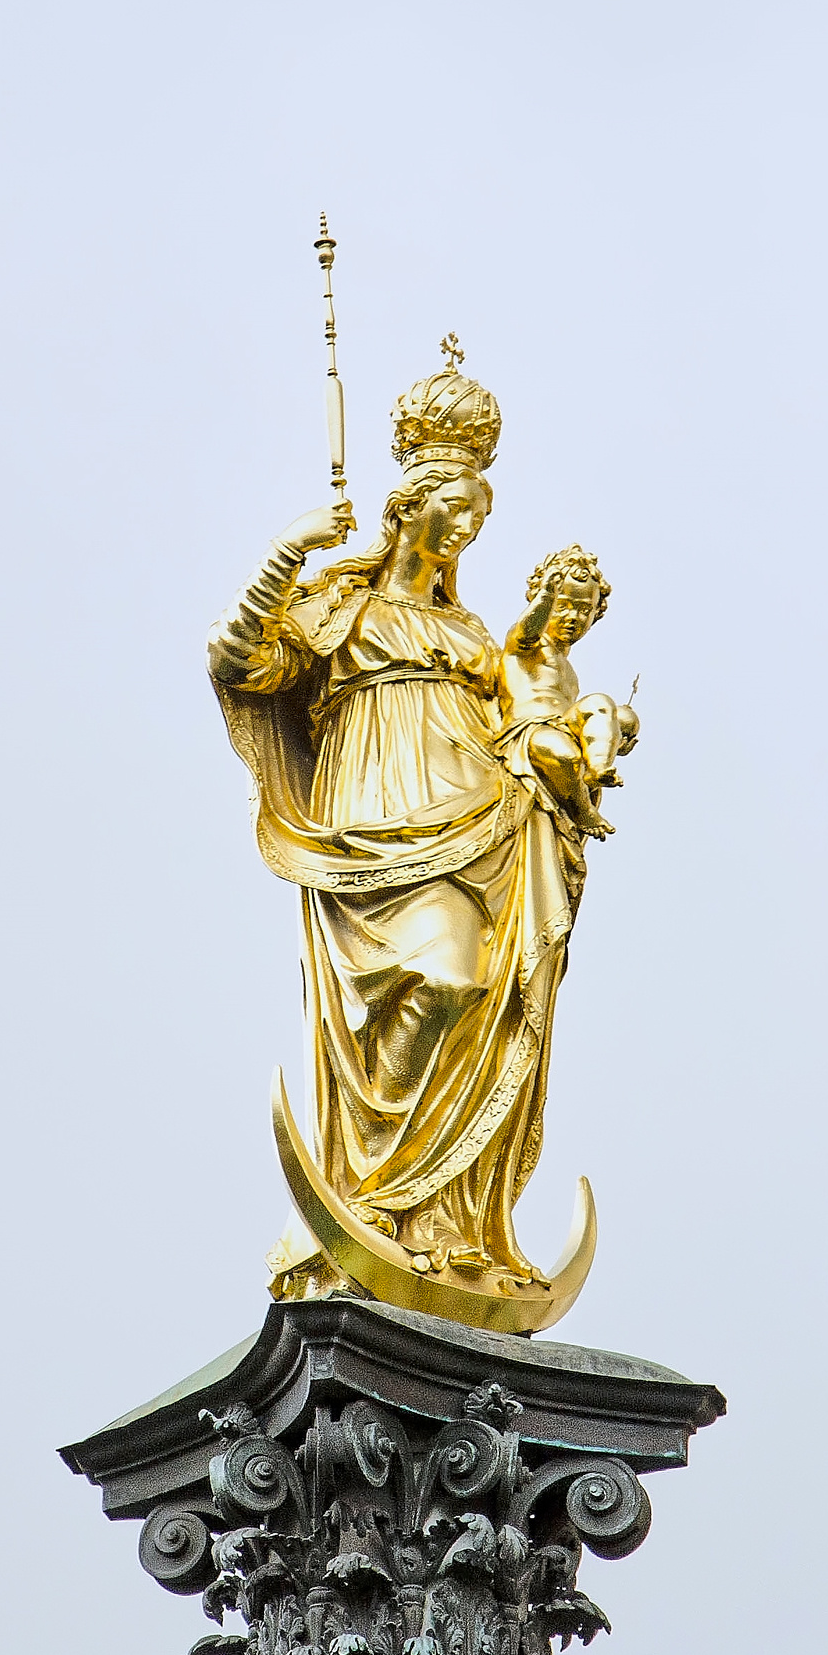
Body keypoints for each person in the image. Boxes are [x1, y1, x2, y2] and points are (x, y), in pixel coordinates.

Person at [207, 360, 598, 1303]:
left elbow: (532, 727)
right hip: (373, 819)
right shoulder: (342, 609)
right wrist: (284, 552)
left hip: (483, 820)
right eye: (452, 508)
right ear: (407, 506)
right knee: (432, 975)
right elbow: (238, 658)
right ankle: (366, 1195)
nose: (465, 529)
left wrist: (571, 754)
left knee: (476, 994)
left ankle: (442, 1222)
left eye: (477, 516)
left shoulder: (478, 638)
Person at [497, 545, 639, 841]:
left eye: (584, 609)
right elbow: (527, 631)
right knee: (562, 753)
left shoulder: (570, 673)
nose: (573, 616)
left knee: (601, 703)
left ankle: (599, 766)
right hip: (528, 731)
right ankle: (582, 809)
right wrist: (546, 596)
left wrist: (613, 739)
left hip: (562, 725)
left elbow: (587, 720)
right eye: (563, 605)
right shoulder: (526, 646)